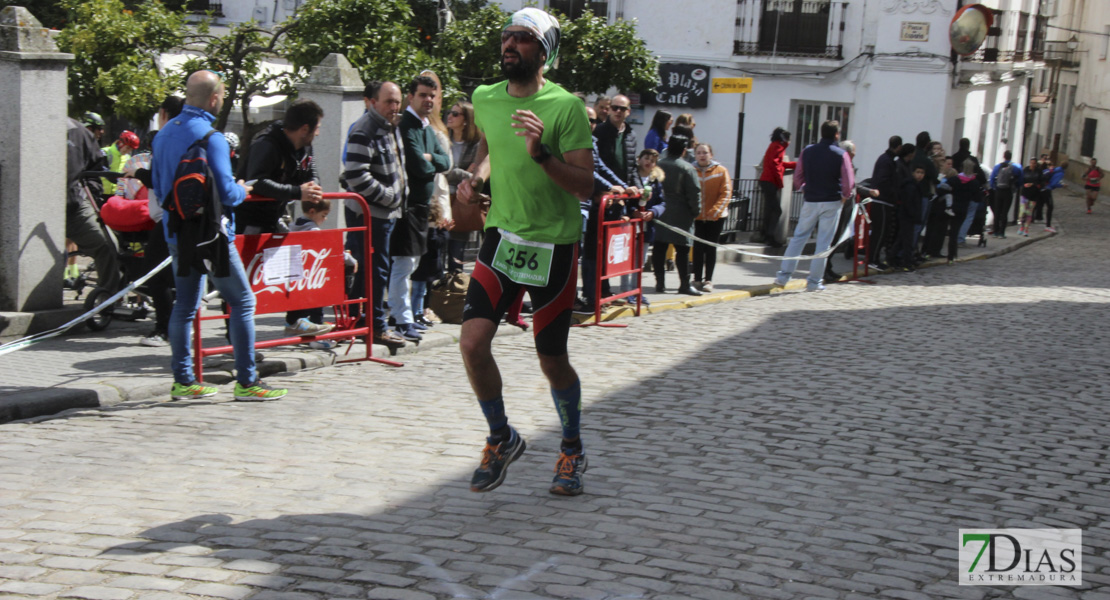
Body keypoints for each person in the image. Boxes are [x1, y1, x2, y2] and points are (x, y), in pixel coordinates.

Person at [455, 8, 595, 496]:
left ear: (544, 52)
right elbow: (491, 147)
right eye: (506, 36)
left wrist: (542, 155)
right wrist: (477, 178)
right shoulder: (485, 98)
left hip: (553, 243)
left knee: (551, 357)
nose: (509, 44)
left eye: (523, 38)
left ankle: (572, 450)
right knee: (472, 343)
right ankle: (501, 438)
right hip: (503, 237)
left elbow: (585, 186)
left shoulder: (566, 107)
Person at [152, 69, 286, 401]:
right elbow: (227, 193)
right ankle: (247, 381)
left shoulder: (163, 133)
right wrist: (242, 189)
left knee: (184, 305)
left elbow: (156, 185)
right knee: (242, 300)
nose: (223, 101)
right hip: (212, 235)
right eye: (223, 96)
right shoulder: (211, 138)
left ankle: (184, 380)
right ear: (214, 98)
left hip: (176, 229)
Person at [341, 80, 409, 350]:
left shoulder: (390, 126)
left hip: (386, 214)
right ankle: (375, 327)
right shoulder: (365, 128)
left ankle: (367, 323)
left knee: (378, 270)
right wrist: (389, 196)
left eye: (397, 101)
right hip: (370, 214)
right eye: (389, 101)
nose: (395, 106)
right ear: (373, 102)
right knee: (374, 271)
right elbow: (355, 175)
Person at [392, 75, 450, 343]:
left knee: (413, 263)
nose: (428, 100)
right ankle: (400, 318)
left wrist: (431, 159)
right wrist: (429, 161)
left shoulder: (426, 127)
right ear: (411, 97)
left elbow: (445, 161)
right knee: (404, 265)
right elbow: (418, 165)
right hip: (408, 205)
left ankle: (406, 315)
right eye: (423, 95)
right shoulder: (408, 124)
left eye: (432, 95)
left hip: (423, 206)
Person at [773, 120, 854, 292]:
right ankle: (814, 282)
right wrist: (845, 197)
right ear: (837, 134)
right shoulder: (841, 154)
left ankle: (783, 276)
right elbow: (848, 181)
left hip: (811, 199)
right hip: (832, 200)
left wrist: (803, 188)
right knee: (823, 242)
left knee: (798, 238)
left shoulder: (807, 151)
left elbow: (798, 176)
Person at [237, 100, 324, 236]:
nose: (318, 133)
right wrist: (297, 192)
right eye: (317, 128)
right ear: (305, 129)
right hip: (250, 221)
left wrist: (314, 187)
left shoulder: (304, 147)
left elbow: (311, 170)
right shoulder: (266, 145)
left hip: (275, 218)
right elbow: (256, 181)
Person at [287, 197, 359, 350]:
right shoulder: (312, 230)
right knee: (318, 301)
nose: (325, 219)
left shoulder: (294, 225)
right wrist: (350, 260)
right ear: (313, 212)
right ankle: (317, 333)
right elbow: (329, 249)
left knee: (300, 306)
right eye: (324, 215)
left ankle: (306, 331)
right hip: (310, 274)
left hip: (298, 275)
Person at [65, 118, 121, 296]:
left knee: (108, 244)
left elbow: (96, 169)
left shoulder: (78, 132)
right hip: (27, 211)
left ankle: (107, 301)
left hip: (74, 208)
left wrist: (91, 196)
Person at [653, 133, 701, 295]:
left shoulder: (658, 165)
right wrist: (696, 211)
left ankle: (660, 283)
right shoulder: (687, 168)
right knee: (683, 250)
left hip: (661, 210)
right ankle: (684, 284)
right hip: (682, 213)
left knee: (659, 248)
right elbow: (694, 193)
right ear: (684, 150)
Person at [444, 101, 482, 274]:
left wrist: (451, 171)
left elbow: (473, 178)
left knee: (455, 260)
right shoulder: (443, 139)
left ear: (467, 120)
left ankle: (454, 297)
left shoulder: (477, 146)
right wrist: (460, 173)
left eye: (456, 114)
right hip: (441, 204)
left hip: (460, 207)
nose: (449, 116)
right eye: (450, 112)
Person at [691, 143, 730, 293]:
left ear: (711, 155)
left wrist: (715, 211)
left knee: (711, 248)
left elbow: (726, 193)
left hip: (716, 217)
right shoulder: (691, 171)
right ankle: (696, 279)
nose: (702, 155)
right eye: (699, 153)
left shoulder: (721, 171)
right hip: (698, 216)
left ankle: (708, 280)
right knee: (698, 248)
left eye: (705, 152)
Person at [756, 127, 796, 247]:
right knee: (777, 210)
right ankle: (770, 235)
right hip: (770, 181)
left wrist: (795, 165)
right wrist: (779, 182)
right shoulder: (778, 147)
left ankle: (765, 233)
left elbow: (778, 162)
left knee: (769, 209)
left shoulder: (774, 145)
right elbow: (776, 165)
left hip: (765, 180)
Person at [868, 135, 901, 270]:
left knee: (881, 232)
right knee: (879, 232)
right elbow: (883, 181)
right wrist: (892, 193)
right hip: (881, 201)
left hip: (884, 201)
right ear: (898, 147)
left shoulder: (886, 159)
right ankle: (873, 259)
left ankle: (874, 258)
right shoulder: (886, 161)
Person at [593, 94, 638, 185]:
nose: (618, 111)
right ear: (609, 110)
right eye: (614, 108)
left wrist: (639, 187)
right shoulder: (597, 131)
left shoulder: (631, 134)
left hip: (624, 191)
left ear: (628, 111)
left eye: (622, 109)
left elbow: (632, 167)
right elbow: (595, 166)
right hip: (604, 191)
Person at [944, 159, 981, 263]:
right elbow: (977, 198)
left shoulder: (955, 179)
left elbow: (944, 188)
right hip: (963, 209)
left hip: (951, 207)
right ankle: (951, 256)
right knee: (955, 231)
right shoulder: (974, 182)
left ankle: (951, 254)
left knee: (951, 231)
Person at [989, 150, 1022, 238]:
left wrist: (994, 188)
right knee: (1005, 212)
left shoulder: (997, 167)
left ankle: (995, 231)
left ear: (1004, 156)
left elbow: (992, 179)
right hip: (1008, 191)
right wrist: (1015, 188)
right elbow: (1020, 180)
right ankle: (1001, 233)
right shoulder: (1016, 167)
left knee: (997, 211)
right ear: (1011, 157)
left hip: (998, 191)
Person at [101, 131, 140, 196]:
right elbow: (103, 171)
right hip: (101, 194)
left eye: (131, 150)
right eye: (128, 148)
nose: (128, 151)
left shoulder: (128, 157)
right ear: (121, 143)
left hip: (117, 195)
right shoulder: (105, 152)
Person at [1018, 155, 1041, 237]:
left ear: (1036, 164)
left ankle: (1026, 229)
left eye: (1034, 163)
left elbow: (1041, 183)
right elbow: (1021, 180)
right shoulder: (1026, 170)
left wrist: (1033, 184)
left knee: (1029, 213)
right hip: (1025, 194)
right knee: (1022, 212)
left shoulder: (1039, 172)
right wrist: (1024, 184)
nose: (1032, 164)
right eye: (1031, 163)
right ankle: (1021, 226)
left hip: (1034, 195)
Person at [1040, 158, 1064, 233]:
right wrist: (1061, 185)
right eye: (1051, 165)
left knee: (1040, 206)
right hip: (1046, 190)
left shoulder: (1045, 171)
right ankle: (1048, 226)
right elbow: (1053, 183)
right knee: (1050, 207)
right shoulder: (1050, 171)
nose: (1053, 166)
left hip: (1042, 190)